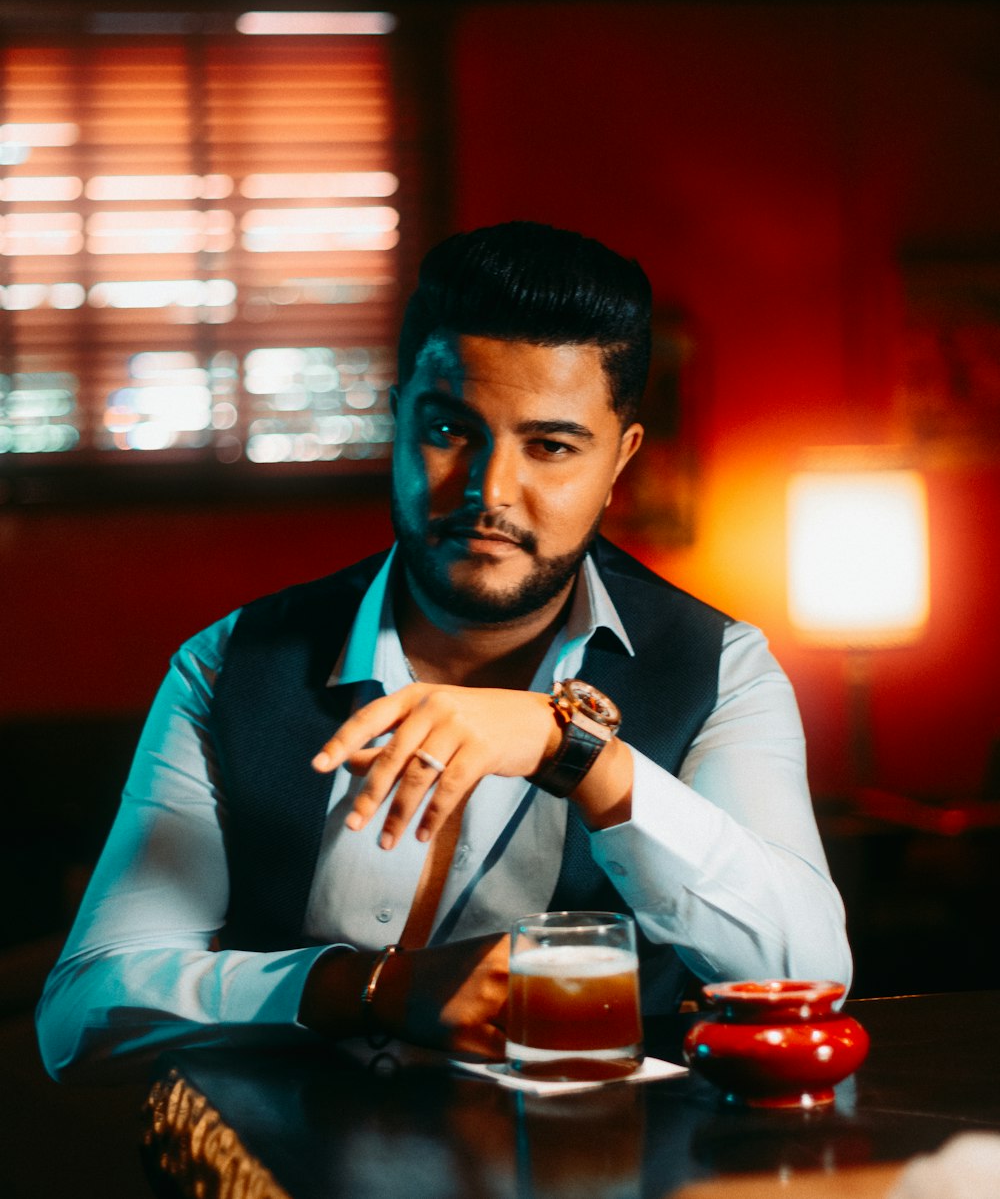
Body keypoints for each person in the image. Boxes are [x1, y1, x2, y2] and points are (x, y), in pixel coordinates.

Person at [37, 221, 851, 1083]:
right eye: (449, 431)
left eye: (552, 446)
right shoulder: (228, 666)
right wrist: (370, 988)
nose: (489, 490)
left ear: (621, 461)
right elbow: (83, 1016)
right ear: (396, 424)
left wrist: (575, 755)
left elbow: (809, 973)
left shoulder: (721, 667)